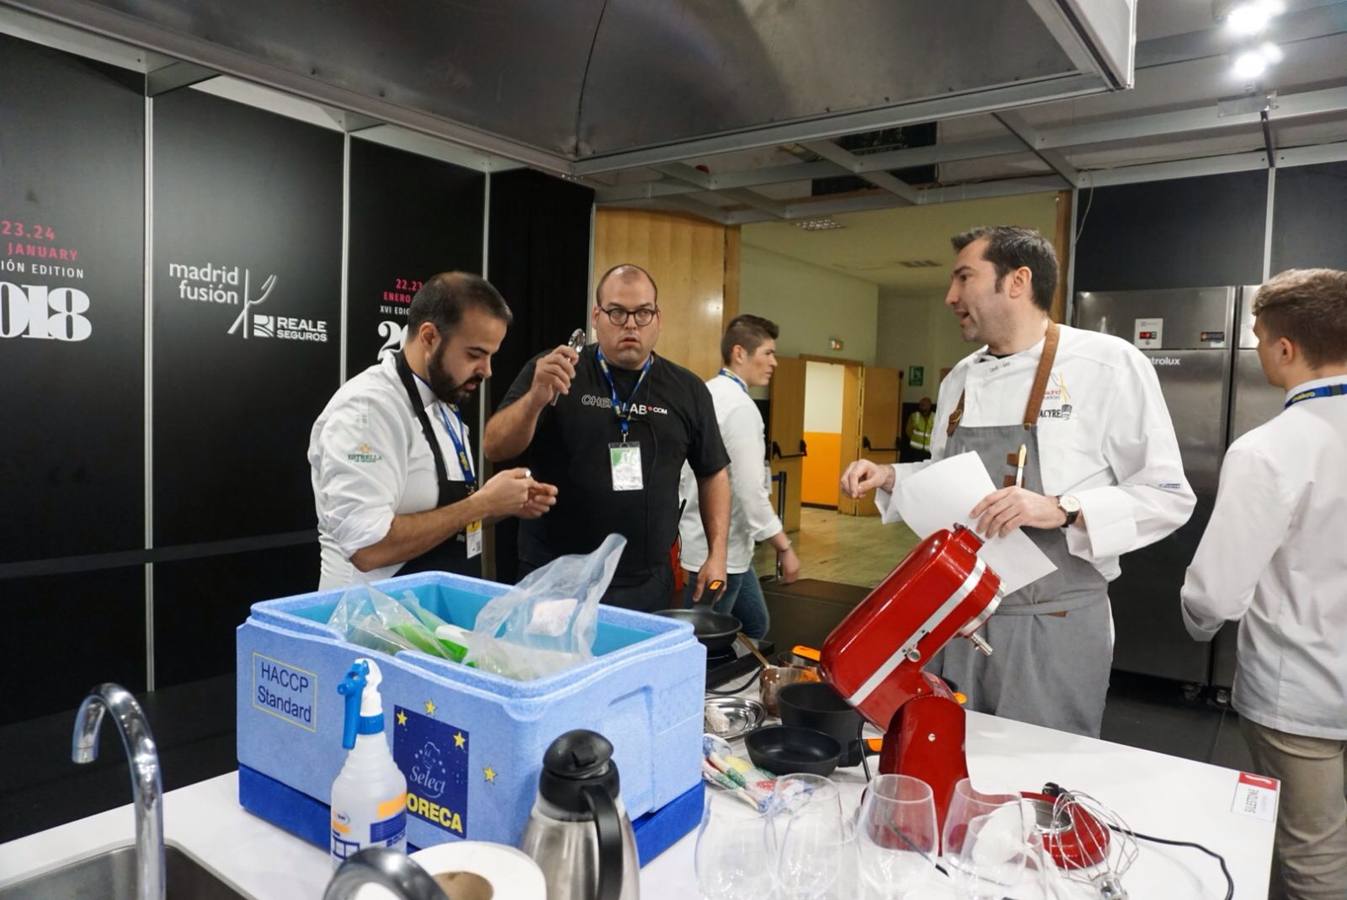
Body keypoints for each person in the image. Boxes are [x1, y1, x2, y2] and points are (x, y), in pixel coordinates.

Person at [840, 225, 1194, 738]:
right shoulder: (960, 377)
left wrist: (1064, 507)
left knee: (1040, 776)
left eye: (964, 278)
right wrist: (891, 475)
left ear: (1017, 281)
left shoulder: (1107, 364)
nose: (951, 296)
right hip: (957, 619)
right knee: (954, 761)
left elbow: (1167, 495)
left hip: (1052, 625)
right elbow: (950, 477)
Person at [1180, 269, 1347, 900]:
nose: (1255, 349)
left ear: (1284, 349)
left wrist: (1196, 622)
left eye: (1256, 337)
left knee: (1313, 858)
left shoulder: (1270, 448)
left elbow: (1215, 596)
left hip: (1297, 693)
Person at [483, 264, 730, 611]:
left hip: (645, 582)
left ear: (658, 317)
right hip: (555, 577)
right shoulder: (555, 369)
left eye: (642, 312)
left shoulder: (687, 389)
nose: (630, 324)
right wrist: (535, 399)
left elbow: (713, 472)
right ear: (596, 316)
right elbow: (495, 446)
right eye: (617, 312)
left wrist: (717, 553)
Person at [309, 272, 557, 589]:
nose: (487, 370)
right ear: (429, 337)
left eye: (491, 356)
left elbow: (447, 517)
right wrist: (481, 504)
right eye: (475, 354)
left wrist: (503, 504)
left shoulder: (445, 406)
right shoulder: (367, 410)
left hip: (428, 619)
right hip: (368, 625)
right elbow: (367, 547)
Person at [677, 315, 801, 640]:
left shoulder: (703, 393)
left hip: (707, 543)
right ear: (740, 353)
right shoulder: (741, 409)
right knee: (704, 642)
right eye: (768, 353)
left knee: (755, 624)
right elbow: (750, 491)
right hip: (720, 552)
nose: (774, 362)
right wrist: (783, 546)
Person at [904, 396, 935, 462]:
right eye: (921, 405)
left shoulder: (935, 416)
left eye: (924, 405)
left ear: (929, 406)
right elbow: (908, 430)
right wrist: (915, 439)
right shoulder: (914, 415)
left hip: (929, 450)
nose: (922, 406)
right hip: (915, 450)